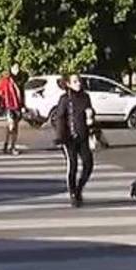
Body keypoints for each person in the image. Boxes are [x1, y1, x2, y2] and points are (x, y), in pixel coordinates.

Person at [54, 73, 95, 208]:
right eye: (75, 81)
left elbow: (89, 114)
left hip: (83, 136)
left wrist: (91, 118)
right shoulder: (65, 99)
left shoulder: (85, 97)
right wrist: (61, 137)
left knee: (88, 165)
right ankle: (73, 194)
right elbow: (59, 118)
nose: (79, 83)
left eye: (79, 81)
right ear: (68, 84)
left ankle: (79, 188)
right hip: (69, 138)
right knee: (73, 166)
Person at [0, 64, 25, 155]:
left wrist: (23, 105)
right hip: (9, 106)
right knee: (11, 126)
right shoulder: (6, 80)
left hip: (17, 106)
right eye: (14, 68)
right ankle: (10, 147)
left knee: (15, 128)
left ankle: (10, 145)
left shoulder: (20, 80)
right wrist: (2, 105)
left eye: (18, 68)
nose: (17, 70)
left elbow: (21, 94)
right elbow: (1, 93)